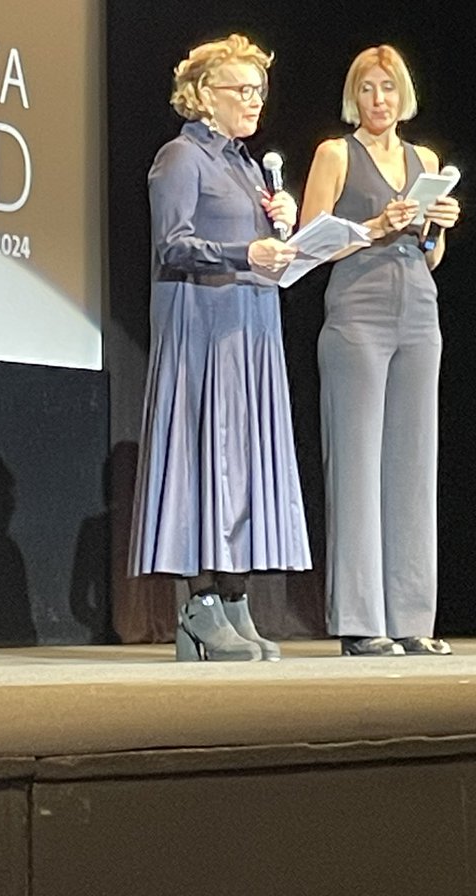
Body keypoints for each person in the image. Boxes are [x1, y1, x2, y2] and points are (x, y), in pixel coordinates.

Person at [128, 33, 311, 662]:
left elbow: (258, 247)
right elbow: (171, 246)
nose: (255, 101)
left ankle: (234, 599)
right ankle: (200, 604)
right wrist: (246, 251)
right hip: (203, 330)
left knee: (242, 463)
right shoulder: (180, 157)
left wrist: (277, 225)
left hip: (250, 326)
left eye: (260, 90)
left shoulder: (244, 164)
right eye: (243, 90)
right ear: (205, 94)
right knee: (209, 458)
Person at [300, 44, 460, 657]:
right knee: (358, 468)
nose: (379, 100)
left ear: (404, 94)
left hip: (419, 313)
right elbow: (308, 246)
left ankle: (412, 617)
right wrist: (373, 227)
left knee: (414, 466)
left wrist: (434, 227)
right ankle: (362, 621)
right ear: (353, 96)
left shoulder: (426, 159)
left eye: (388, 88)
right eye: (367, 88)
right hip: (357, 316)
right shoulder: (335, 154)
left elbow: (431, 255)